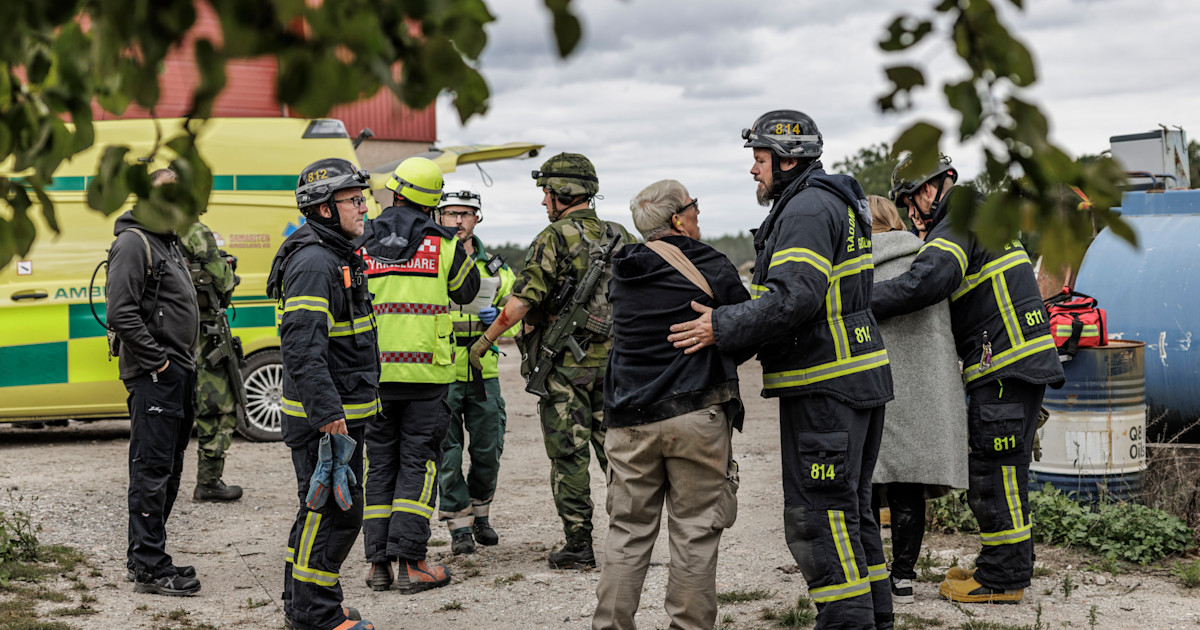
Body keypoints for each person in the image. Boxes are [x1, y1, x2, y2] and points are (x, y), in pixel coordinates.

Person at [669, 110, 895, 629]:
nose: (754, 170)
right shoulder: (834, 200)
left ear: (789, 159)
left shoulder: (807, 210)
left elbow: (796, 296)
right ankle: (874, 618)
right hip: (855, 377)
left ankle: (847, 623)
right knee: (851, 510)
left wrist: (721, 326)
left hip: (826, 384)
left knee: (819, 514)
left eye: (760, 158)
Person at [872, 155, 1064, 605]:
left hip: (1003, 366)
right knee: (1005, 472)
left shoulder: (958, 222)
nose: (913, 219)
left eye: (910, 205)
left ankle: (1002, 580)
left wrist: (856, 300)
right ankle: (1000, 566)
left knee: (994, 475)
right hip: (1018, 363)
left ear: (927, 190)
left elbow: (925, 282)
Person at [593, 179, 751, 630]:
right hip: (695, 413)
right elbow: (750, 325)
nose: (698, 212)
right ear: (678, 218)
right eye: (693, 206)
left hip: (629, 422)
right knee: (695, 533)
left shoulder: (620, 271)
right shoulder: (711, 264)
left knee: (626, 534)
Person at [469, 152, 633, 570]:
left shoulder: (553, 237)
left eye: (547, 192)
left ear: (562, 193)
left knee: (568, 454)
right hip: (617, 365)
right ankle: (631, 541)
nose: (544, 202)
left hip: (565, 368)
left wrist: (484, 342)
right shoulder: (622, 235)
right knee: (617, 452)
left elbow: (522, 301)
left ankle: (579, 545)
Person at [266, 158, 378, 630]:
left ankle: (306, 606)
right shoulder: (315, 263)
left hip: (339, 416)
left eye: (362, 198)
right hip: (326, 423)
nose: (363, 207)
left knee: (319, 514)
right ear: (325, 209)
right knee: (335, 516)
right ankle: (316, 615)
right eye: (354, 200)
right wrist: (329, 414)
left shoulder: (335, 254)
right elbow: (301, 347)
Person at [359, 157, 480, 593]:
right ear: (433, 201)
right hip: (427, 377)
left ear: (393, 191)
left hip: (373, 377)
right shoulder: (443, 243)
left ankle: (378, 565)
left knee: (380, 467)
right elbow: (467, 291)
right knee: (418, 466)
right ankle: (413, 563)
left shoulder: (363, 239)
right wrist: (457, 245)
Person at [865, 195, 968, 605]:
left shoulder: (853, 268)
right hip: (925, 395)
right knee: (908, 489)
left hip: (872, 391)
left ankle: (870, 577)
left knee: (867, 489)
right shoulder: (928, 261)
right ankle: (903, 579)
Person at [107, 169, 202, 596]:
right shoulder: (133, 242)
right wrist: (160, 364)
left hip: (177, 371)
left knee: (170, 469)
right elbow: (121, 314)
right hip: (155, 376)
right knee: (152, 471)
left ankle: (145, 556)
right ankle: (150, 567)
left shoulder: (167, 240)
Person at [435, 181, 518, 555]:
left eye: (464, 214)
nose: (457, 220)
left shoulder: (498, 269)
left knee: (488, 449)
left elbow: (519, 316)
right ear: (439, 216)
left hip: (483, 372)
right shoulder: (432, 258)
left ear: (476, 218)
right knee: (448, 453)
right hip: (443, 371)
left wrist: (499, 320)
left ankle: (481, 515)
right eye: (450, 213)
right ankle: (459, 527)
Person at [170, 167, 246, 503]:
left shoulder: (148, 229)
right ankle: (209, 482)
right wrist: (227, 270)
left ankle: (162, 480)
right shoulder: (194, 230)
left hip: (168, 334)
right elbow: (223, 280)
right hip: (203, 333)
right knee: (218, 407)